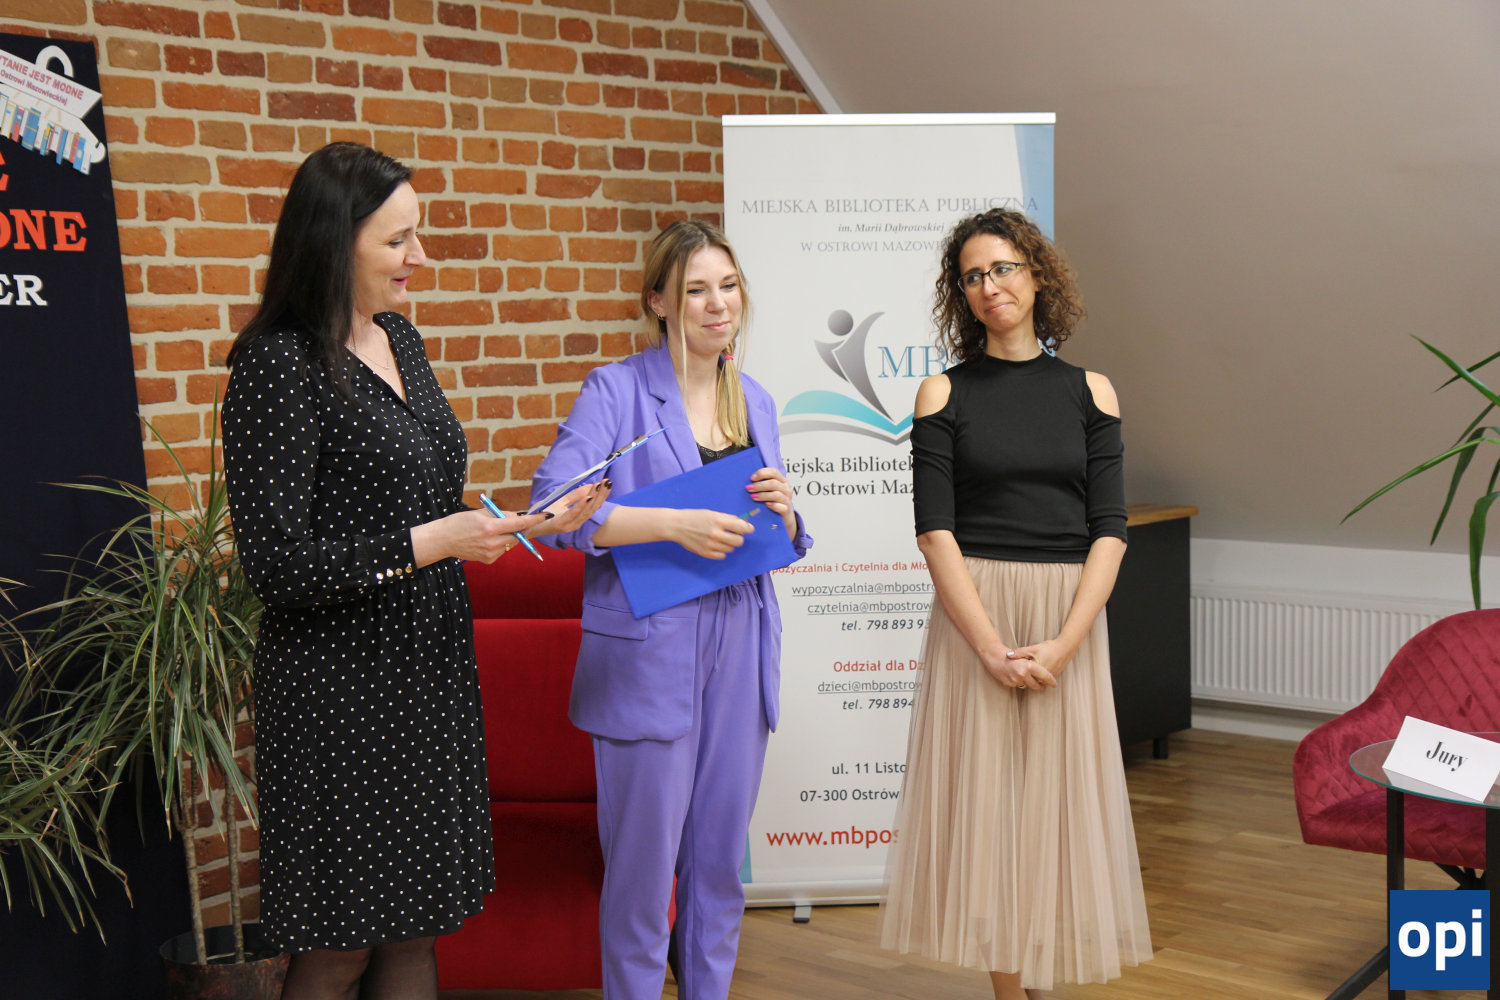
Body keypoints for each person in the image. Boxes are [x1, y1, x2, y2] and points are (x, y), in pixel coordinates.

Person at [221, 142, 604, 1000]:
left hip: (426, 672)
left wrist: (519, 525)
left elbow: (421, 500)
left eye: (416, 235)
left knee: (414, 933)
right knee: (341, 947)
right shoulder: (277, 364)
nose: (419, 257)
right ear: (335, 241)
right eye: (398, 240)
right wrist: (435, 542)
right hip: (338, 695)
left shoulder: (399, 337)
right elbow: (277, 568)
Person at [530, 220, 812, 1000]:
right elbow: (552, 509)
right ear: (657, 301)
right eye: (696, 290)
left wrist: (787, 512)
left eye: (729, 286)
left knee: (718, 867)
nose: (718, 304)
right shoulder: (615, 391)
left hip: (743, 638)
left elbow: (778, 534)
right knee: (644, 874)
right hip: (651, 649)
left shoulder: (754, 398)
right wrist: (668, 523)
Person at [878, 208, 1153, 1000]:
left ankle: (1042, 978)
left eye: (1002, 267)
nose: (989, 285)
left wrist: (1066, 641)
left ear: (1036, 275)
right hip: (978, 614)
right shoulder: (942, 392)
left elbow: (1110, 530)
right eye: (973, 276)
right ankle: (1010, 992)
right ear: (961, 296)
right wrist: (990, 647)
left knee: (1056, 811)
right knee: (991, 815)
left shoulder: (1091, 392)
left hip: (1070, 614)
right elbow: (935, 533)